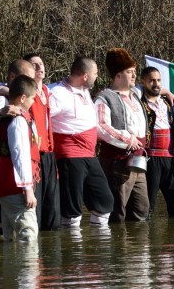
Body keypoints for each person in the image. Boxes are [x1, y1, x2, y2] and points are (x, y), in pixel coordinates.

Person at [50, 57, 113, 227]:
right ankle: (72, 250)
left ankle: (100, 247)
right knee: (71, 211)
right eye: (95, 74)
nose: (97, 77)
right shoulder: (57, 94)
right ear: (85, 76)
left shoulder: (85, 91)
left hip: (89, 155)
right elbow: (40, 116)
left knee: (105, 203)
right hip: (69, 156)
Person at [95, 48, 149, 223]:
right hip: (117, 163)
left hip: (138, 161)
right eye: (129, 72)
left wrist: (167, 92)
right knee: (117, 212)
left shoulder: (135, 96)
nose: (134, 76)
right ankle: (118, 248)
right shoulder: (105, 97)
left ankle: (139, 248)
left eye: (134, 71)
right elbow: (100, 126)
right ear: (118, 75)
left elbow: (155, 88)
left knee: (141, 209)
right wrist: (126, 139)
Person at [0, 59, 35, 238]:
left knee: (11, 231)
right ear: (13, 77)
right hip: (11, 175)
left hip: (17, 173)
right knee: (26, 232)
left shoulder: (20, 97)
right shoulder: (2, 101)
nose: (31, 82)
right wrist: (2, 112)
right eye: (27, 78)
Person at [140, 66, 174, 218]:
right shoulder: (138, 101)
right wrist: (167, 91)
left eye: (159, 80)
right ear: (143, 82)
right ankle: (143, 240)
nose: (156, 84)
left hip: (169, 159)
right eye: (152, 81)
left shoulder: (167, 104)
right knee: (148, 205)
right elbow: (130, 88)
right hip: (151, 160)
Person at [22, 53, 60, 230]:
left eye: (41, 64)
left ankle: (52, 250)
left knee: (53, 208)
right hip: (34, 155)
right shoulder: (22, 92)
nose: (39, 67)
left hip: (50, 155)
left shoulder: (47, 90)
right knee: (35, 208)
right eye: (34, 65)